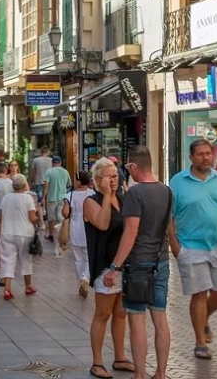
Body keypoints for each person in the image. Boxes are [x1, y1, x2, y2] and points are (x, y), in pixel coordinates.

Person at [168, 139, 217, 360]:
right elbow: (169, 215)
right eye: (200, 154)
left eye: (208, 153)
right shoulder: (178, 181)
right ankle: (200, 342)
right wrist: (174, 244)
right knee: (199, 293)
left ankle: (204, 319)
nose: (205, 158)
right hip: (190, 246)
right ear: (191, 158)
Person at [103, 146, 172, 379]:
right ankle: (161, 373)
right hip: (161, 261)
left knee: (137, 320)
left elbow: (130, 231)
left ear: (133, 167)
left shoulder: (134, 193)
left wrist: (115, 266)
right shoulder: (166, 191)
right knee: (160, 319)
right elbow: (170, 227)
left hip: (138, 265)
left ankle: (140, 374)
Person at [84, 160, 133, 378]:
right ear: (96, 180)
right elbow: (103, 224)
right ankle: (97, 361)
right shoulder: (91, 201)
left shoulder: (123, 199)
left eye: (115, 176)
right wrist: (105, 195)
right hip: (105, 266)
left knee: (121, 314)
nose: (113, 180)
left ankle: (120, 356)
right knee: (102, 314)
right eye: (107, 177)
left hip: (124, 265)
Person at [0, 174, 39, 300]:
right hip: (24, 233)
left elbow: (0, 217)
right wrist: (39, 218)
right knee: (26, 260)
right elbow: (32, 218)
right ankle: (28, 286)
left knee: (7, 260)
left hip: (7, 232)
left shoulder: (6, 198)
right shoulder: (28, 198)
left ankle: (7, 288)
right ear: (24, 184)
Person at [62, 171, 94, 298]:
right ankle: (85, 279)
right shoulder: (92, 194)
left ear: (79, 182)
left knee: (78, 258)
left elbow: (65, 213)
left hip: (75, 228)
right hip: (89, 228)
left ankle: (81, 281)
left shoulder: (69, 195)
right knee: (89, 257)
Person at [42, 156, 71, 251]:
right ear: (60, 163)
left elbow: (46, 185)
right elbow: (69, 184)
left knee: (51, 218)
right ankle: (63, 235)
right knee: (60, 217)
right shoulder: (65, 172)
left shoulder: (49, 172)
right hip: (63, 197)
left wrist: (43, 197)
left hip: (51, 198)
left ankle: (51, 235)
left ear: (52, 163)